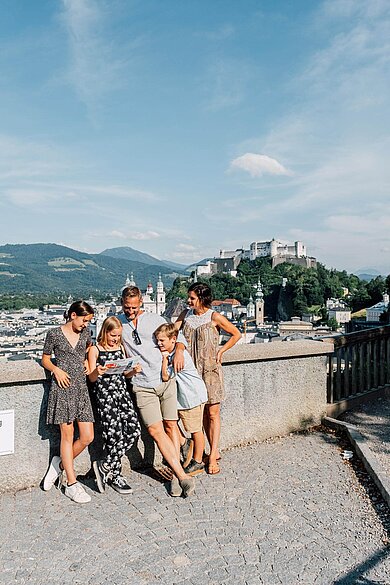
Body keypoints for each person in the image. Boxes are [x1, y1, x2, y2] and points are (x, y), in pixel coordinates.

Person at [118, 286, 195, 497]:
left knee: (171, 426)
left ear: (141, 302)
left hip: (165, 380)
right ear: (121, 303)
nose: (130, 311)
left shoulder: (154, 319)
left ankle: (175, 474)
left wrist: (179, 351)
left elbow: (177, 337)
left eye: (134, 307)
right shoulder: (118, 323)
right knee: (154, 430)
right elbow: (104, 342)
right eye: (126, 307)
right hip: (142, 385)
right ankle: (182, 476)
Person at [175, 283, 241, 475]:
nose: (188, 301)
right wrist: (179, 348)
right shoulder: (186, 315)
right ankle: (203, 451)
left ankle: (212, 455)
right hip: (191, 372)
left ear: (202, 299)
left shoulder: (214, 317)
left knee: (212, 413)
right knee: (199, 414)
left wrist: (222, 350)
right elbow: (174, 332)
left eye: (192, 298)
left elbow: (236, 334)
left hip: (210, 370)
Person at [41, 300, 95, 504]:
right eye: (84, 320)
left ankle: (60, 464)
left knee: (87, 436)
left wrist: (88, 364)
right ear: (73, 315)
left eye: (89, 321)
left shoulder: (86, 334)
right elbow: (45, 359)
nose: (86, 324)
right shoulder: (54, 333)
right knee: (67, 434)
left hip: (81, 388)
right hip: (62, 388)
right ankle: (71, 484)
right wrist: (56, 369)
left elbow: (90, 350)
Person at [88, 316, 141, 495]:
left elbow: (125, 374)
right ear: (105, 332)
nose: (115, 339)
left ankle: (105, 465)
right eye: (113, 335)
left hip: (122, 394)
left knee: (134, 430)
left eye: (118, 336)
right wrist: (98, 371)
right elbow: (92, 378)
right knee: (114, 436)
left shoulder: (120, 347)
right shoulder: (95, 350)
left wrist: (133, 370)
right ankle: (115, 475)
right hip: (105, 397)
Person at [154, 323, 207, 476]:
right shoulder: (175, 353)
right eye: (158, 340)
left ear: (173, 340)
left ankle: (197, 462)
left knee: (196, 430)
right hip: (187, 397)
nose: (159, 344)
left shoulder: (178, 357)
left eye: (162, 341)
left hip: (191, 397)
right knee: (176, 424)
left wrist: (164, 360)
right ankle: (186, 445)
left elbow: (165, 376)